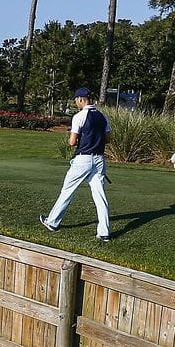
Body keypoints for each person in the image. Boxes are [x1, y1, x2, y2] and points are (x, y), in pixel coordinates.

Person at [39, 87, 112, 241]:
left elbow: (72, 142)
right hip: (99, 159)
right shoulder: (102, 116)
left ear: (81, 99)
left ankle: (52, 222)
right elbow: (107, 139)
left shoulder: (79, 116)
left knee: (67, 190)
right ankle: (104, 232)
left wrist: (77, 138)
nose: (75, 102)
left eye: (76, 100)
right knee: (100, 196)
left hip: (83, 159)